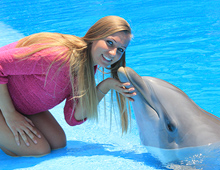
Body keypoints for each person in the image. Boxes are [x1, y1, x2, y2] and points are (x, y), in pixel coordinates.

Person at [0, 16, 136, 157]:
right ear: (95, 36)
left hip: (19, 104)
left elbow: (72, 116)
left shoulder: (88, 67)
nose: (113, 53)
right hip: (7, 103)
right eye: (109, 43)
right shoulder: (58, 56)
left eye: (120, 49)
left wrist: (106, 86)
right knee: (39, 150)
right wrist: (10, 115)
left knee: (58, 143)